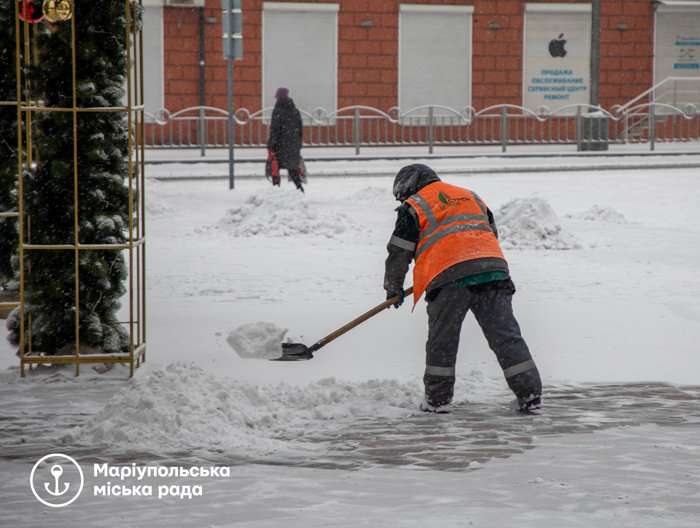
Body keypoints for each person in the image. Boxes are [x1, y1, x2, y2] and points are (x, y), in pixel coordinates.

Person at [383, 164, 542, 413]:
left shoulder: (414, 205)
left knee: (442, 342)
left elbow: (399, 252)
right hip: (492, 271)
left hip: (450, 278)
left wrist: (393, 287)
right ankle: (529, 394)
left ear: (410, 186)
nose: (404, 199)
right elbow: (488, 233)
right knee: (506, 337)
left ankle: (437, 401)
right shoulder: (470, 196)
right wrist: (477, 265)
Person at [267, 87, 304, 192]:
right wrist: (298, 144)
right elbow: (300, 129)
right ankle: (300, 190)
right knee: (293, 170)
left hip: (280, 146)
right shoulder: (295, 111)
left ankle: (275, 191)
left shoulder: (277, 111)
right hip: (293, 145)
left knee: (275, 169)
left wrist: (270, 145)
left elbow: (275, 130)